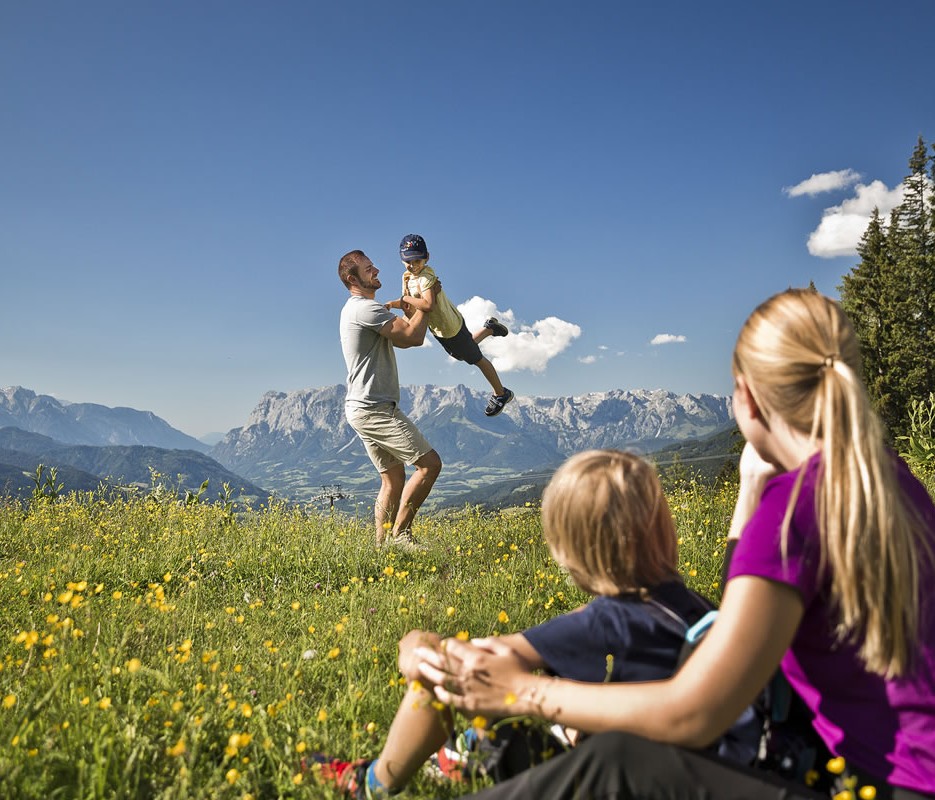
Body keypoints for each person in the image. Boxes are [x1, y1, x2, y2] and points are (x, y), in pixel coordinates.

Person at [416, 288, 935, 799]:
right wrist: (751, 488)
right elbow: (739, 615)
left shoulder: (792, 512)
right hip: (896, 774)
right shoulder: (888, 480)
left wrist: (525, 692)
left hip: (879, 783)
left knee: (617, 761)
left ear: (747, 398)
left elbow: (694, 713)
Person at [312, 449, 718, 798]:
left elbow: (477, 661)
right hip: (690, 771)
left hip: (614, 779)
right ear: (667, 529)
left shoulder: (609, 621)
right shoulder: (699, 609)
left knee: (441, 677)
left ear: (567, 556)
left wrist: (416, 643)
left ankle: (372, 784)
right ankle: (463, 751)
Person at [338, 249, 443, 549]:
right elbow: (413, 337)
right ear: (351, 278)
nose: (377, 271)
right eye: (369, 269)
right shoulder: (364, 310)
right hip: (374, 409)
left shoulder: (359, 310)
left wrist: (416, 306)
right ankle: (401, 537)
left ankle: (381, 548)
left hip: (362, 407)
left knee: (393, 478)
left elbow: (407, 335)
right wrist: (426, 300)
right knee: (430, 465)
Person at [386, 234, 514, 417]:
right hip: (441, 328)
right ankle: (490, 328)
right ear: (401, 259)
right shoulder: (407, 277)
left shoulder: (425, 277)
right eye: (408, 261)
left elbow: (428, 305)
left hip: (449, 326)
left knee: (476, 359)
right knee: (461, 352)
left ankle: (501, 393)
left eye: (417, 260)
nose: (413, 265)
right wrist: (392, 304)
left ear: (426, 257)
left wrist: (404, 299)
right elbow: (411, 302)